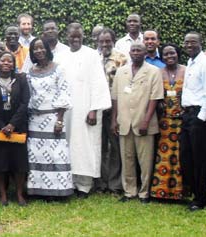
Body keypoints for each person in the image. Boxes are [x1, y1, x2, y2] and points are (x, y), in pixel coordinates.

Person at [62, 23, 112, 198]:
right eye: (72, 36)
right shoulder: (61, 55)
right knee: (68, 145)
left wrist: (93, 110)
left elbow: (98, 83)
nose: (75, 39)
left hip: (86, 109)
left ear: (83, 37)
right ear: (66, 35)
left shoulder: (91, 55)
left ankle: (84, 185)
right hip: (67, 111)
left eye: (79, 36)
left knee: (85, 145)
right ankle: (70, 182)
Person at [111, 42, 163, 203]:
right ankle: (129, 191)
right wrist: (114, 120)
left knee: (145, 159)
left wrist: (146, 121)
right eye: (133, 51)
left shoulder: (154, 72)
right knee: (127, 158)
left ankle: (144, 192)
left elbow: (155, 98)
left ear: (144, 53)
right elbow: (115, 98)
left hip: (143, 122)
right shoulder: (121, 72)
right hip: (124, 121)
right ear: (129, 53)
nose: (135, 53)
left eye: (139, 51)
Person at [25, 38, 73, 201]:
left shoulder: (58, 69)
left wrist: (60, 120)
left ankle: (58, 191)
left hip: (53, 117)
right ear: (32, 53)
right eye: (35, 49)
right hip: (35, 119)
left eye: (41, 48)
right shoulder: (30, 71)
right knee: (35, 154)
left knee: (56, 154)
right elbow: (29, 95)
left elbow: (64, 93)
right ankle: (38, 190)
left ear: (47, 49)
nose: (39, 51)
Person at [0, 51, 30, 206]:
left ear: (13, 64)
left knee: (19, 163)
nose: (6, 63)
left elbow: (25, 103)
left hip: (17, 126)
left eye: (9, 61)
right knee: (0, 163)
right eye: (2, 60)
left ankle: (18, 194)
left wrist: (12, 124)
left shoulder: (21, 80)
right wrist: (1, 126)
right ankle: (3, 195)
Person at [181, 32, 206, 211]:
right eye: (187, 42)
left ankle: (201, 198)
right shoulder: (191, 62)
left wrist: (200, 119)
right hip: (188, 115)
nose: (189, 45)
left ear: (200, 43)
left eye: (193, 42)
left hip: (199, 116)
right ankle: (196, 193)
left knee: (200, 159)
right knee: (188, 157)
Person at [149, 44, 186, 200]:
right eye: (165, 54)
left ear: (177, 54)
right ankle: (161, 191)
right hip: (164, 121)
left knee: (180, 155)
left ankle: (180, 192)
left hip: (182, 120)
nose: (169, 56)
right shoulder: (158, 73)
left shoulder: (186, 71)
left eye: (172, 53)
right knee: (163, 154)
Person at [95, 28, 128, 194]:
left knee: (115, 147)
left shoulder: (121, 59)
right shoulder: (93, 58)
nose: (104, 44)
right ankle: (100, 183)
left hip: (115, 109)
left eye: (107, 41)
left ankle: (114, 184)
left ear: (113, 41)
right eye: (101, 41)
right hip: (96, 110)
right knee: (99, 147)